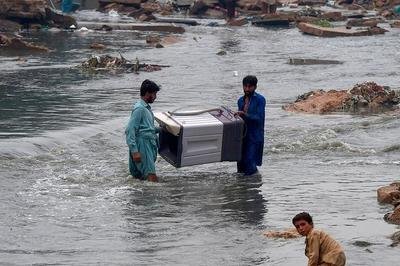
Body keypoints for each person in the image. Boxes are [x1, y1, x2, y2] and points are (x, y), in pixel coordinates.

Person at [125, 80, 160, 182]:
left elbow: (147, 129)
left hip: (145, 144)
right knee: (151, 177)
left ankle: (140, 197)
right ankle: (152, 197)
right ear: (148, 93)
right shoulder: (140, 109)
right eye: (154, 94)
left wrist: (162, 129)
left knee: (139, 178)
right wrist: (135, 151)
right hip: (143, 146)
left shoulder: (146, 108)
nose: (155, 97)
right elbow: (130, 130)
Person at [236, 75, 265, 176]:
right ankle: (242, 188)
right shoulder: (240, 101)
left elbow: (259, 119)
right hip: (243, 136)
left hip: (255, 136)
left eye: (250, 87)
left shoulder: (260, 100)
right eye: (245, 86)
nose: (247, 89)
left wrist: (245, 115)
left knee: (250, 161)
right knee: (240, 164)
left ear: (255, 87)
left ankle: (254, 186)